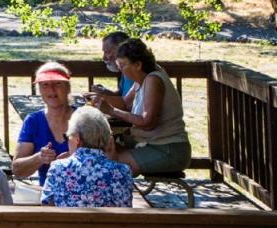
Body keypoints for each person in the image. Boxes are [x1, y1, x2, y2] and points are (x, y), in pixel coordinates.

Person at [41, 106, 141, 228]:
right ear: (106, 141)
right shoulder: (123, 172)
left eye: (68, 137)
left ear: (77, 139)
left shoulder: (58, 169)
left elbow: (48, 208)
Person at [93, 38, 191, 175]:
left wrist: (111, 111)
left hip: (168, 150)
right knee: (104, 149)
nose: (121, 70)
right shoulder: (142, 78)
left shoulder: (153, 80)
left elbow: (148, 123)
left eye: (122, 65)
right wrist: (97, 99)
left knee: (110, 163)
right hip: (152, 144)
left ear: (138, 65)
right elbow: (125, 103)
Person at [12, 61, 75, 184]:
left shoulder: (84, 118)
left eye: (57, 83)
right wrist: (39, 158)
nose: (51, 90)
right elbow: (17, 170)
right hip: (48, 197)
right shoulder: (33, 121)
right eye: (45, 85)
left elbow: (109, 157)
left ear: (68, 87)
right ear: (39, 90)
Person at [92, 31, 133, 98]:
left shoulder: (136, 72)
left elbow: (127, 104)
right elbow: (121, 94)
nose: (104, 58)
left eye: (107, 52)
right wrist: (104, 91)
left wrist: (102, 99)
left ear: (122, 50)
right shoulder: (125, 71)